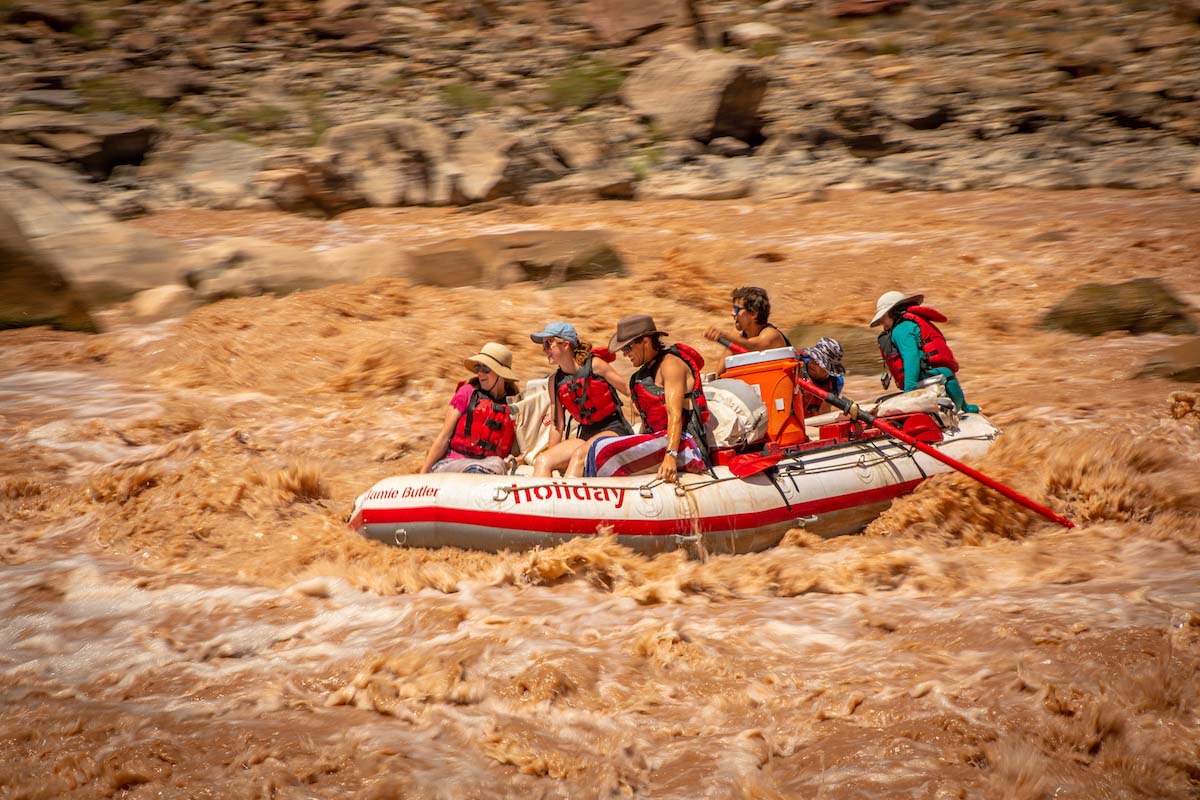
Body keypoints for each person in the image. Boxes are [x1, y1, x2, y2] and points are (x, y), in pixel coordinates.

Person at [585, 314, 711, 482]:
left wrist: (670, 456)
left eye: (628, 347)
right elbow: (647, 423)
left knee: (602, 449)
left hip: (686, 444)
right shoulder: (642, 375)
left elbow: (675, 415)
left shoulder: (671, 364)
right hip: (659, 441)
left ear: (645, 341)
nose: (624, 353)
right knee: (597, 445)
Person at [529, 321, 632, 478]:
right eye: (543, 345)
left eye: (548, 344)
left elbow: (629, 391)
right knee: (543, 460)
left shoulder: (596, 365)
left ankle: (567, 500)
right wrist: (553, 456)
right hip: (585, 435)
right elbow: (557, 425)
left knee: (579, 456)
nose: (544, 350)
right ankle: (546, 501)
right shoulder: (554, 381)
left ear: (565, 344)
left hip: (614, 430)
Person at [419, 342, 522, 474]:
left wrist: (513, 461)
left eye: (486, 369)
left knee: (497, 462)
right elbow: (444, 437)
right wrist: (423, 474)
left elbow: (519, 452)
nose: (480, 373)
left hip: (491, 466)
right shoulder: (467, 392)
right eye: (478, 368)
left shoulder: (515, 404)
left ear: (501, 374)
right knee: (489, 465)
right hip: (451, 464)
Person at [871, 291, 980, 413]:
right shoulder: (915, 322)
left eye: (883, 320)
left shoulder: (900, 329)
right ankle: (964, 407)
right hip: (952, 389)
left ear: (891, 313)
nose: (883, 325)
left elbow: (911, 358)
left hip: (933, 386)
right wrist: (965, 406)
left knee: (880, 403)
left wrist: (908, 395)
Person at [704, 287, 791, 372]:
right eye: (733, 308)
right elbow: (718, 373)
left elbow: (752, 346)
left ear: (753, 314)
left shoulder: (771, 335)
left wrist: (725, 336)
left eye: (737, 309)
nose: (732, 313)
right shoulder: (737, 334)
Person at [798, 336, 846, 416]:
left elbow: (824, 411)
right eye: (812, 357)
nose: (813, 362)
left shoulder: (836, 383)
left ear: (830, 370)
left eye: (818, 361)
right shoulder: (797, 367)